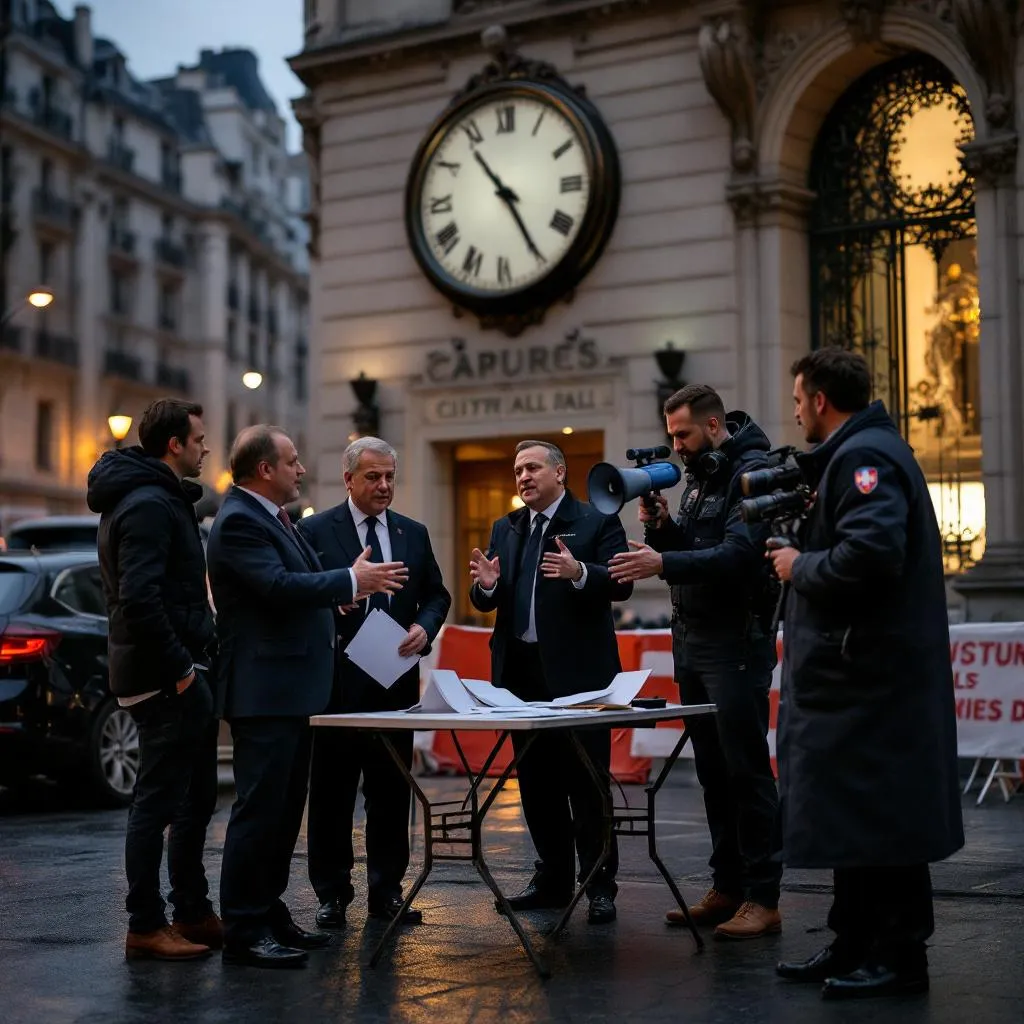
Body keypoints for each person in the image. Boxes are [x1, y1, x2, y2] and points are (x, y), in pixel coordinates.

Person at [769, 347, 963, 1000]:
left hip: (873, 681)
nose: (795, 413)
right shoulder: (860, 450)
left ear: (821, 400)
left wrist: (800, 566)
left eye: (798, 401)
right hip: (857, 679)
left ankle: (899, 956)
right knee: (852, 819)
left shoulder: (863, 457)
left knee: (884, 821)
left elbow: (873, 554)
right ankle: (851, 940)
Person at [207, 425, 408, 969]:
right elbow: (274, 586)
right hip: (265, 693)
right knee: (259, 814)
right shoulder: (241, 522)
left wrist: (335, 598)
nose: (300, 470)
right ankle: (245, 929)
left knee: (282, 814)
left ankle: (270, 914)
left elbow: (296, 582)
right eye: (292, 462)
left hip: (293, 692)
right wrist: (349, 583)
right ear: (265, 470)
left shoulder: (273, 518)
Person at [609, 385, 783, 939]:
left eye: (682, 433)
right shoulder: (704, 475)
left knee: (746, 771)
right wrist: (662, 526)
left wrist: (663, 561)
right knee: (711, 770)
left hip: (734, 642)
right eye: (670, 435)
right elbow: (698, 545)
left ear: (712, 426)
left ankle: (763, 896)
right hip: (694, 639)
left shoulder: (751, 472)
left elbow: (737, 556)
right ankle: (728, 886)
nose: (676, 446)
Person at [469, 440, 632, 924]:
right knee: (536, 784)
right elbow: (486, 600)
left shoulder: (596, 521)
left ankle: (600, 883)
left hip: (580, 677)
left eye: (533, 467)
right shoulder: (507, 525)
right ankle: (555, 879)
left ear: (559, 473)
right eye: (517, 469)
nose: (523, 476)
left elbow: (621, 583)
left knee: (586, 782)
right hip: (521, 676)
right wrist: (487, 587)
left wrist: (581, 571)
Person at [88, 398, 220, 962]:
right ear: (174, 444)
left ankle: (191, 909)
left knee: (195, 798)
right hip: (164, 677)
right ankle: (146, 923)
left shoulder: (158, 499)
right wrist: (182, 670)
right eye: (198, 439)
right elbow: (139, 599)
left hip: (173, 671)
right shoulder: (146, 504)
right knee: (159, 801)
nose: (206, 447)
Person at [300, 437, 451, 929]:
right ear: (348, 479)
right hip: (336, 687)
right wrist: (333, 600)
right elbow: (300, 594)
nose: (384, 485)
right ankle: (331, 894)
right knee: (331, 793)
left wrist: (424, 628)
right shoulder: (316, 530)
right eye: (373, 477)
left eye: (390, 476)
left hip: (394, 685)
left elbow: (436, 594)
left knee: (390, 793)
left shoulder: (412, 532)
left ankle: (387, 891)